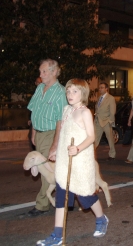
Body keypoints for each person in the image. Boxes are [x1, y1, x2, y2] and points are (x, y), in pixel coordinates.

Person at [36, 79, 108, 246]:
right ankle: (57, 235)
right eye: (68, 91)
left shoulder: (85, 112)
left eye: (74, 91)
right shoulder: (66, 110)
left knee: (85, 197)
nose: (70, 94)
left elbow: (91, 137)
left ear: (83, 93)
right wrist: (55, 149)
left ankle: (101, 218)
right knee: (61, 197)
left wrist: (77, 148)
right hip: (64, 161)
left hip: (81, 162)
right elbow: (62, 132)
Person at [27, 59, 68, 217]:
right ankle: (61, 194)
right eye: (40, 71)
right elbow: (33, 111)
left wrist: (55, 144)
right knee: (49, 170)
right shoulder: (40, 89)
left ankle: (42, 204)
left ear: (53, 72)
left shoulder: (60, 92)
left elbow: (60, 120)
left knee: (45, 172)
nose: (41, 74)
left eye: (44, 71)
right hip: (39, 133)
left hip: (52, 134)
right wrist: (33, 132)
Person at [94, 82, 116, 160]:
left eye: (102, 87)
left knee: (110, 138)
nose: (100, 89)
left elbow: (112, 111)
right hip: (98, 121)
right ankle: (91, 154)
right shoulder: (99, 98)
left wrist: (110, 121)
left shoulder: (110, 98)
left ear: (106, 89)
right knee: (95, 138)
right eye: (99, 87)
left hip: (106, 121)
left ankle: (112, 154)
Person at [28, 77, 42, 150]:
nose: (38, 84)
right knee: (31, 136)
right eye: (37, 82)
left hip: (41, 121)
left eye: (40, 82)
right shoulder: (35, 92)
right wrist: (29, 118)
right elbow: (32, 107)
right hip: (34, 119)